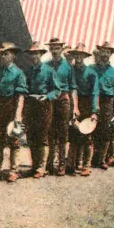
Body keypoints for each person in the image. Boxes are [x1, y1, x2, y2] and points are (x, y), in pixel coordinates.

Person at [0, 42, 28, 183]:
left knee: (14, 139)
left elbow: (20, 95)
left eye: (6, 54)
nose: (3, 56)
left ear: (13, 56)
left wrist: (18, 114)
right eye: (2, 54)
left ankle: (13, 170)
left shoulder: (18, 73)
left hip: (12, 107)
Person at [23, 42, 61, 179]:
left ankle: (41, 167)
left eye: (36, 54)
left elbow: (57, 90)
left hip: (44, 106)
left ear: (41, 55)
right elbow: (24, 87)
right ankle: (34, 165)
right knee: (31, 136)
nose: (34, 56)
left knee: (42, 136)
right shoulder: (27, 71)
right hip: (31, 105)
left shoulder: (49, 71)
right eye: (32, 54)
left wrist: (47, 96)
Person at [45, 38, 76, 176]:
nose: (55, 51)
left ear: (61, 49)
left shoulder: (68, 67)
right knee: (50, 132)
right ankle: (50, 163)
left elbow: (73, 88)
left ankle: (62, 164)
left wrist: (74, 108)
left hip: (63, 100)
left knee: (63, 133)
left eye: (57, 48)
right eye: (52, 48)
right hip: (50, 100)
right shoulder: (46, 65)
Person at [67, 44, 99, 176]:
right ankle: (72, 164)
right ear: (73, 56)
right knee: (73, 135)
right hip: (73, 103)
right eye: (76, 55)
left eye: (81, 55)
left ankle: (86, 165)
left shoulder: (91, 73)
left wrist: (93, 112)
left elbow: (94, 93)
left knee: (87, 136)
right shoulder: (70, 70)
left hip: (86, 104)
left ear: (85, 57)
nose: (78, 57)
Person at [90, 42, 114, 170]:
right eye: (103, 51)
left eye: (108, 52)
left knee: (105, 131)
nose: (105, 54)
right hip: (93, 100)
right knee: (93, 130)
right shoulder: (91, 69)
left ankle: (102, 159)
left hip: (107, 102)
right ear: (100, 52)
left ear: (110, 54)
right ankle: (92, 158)